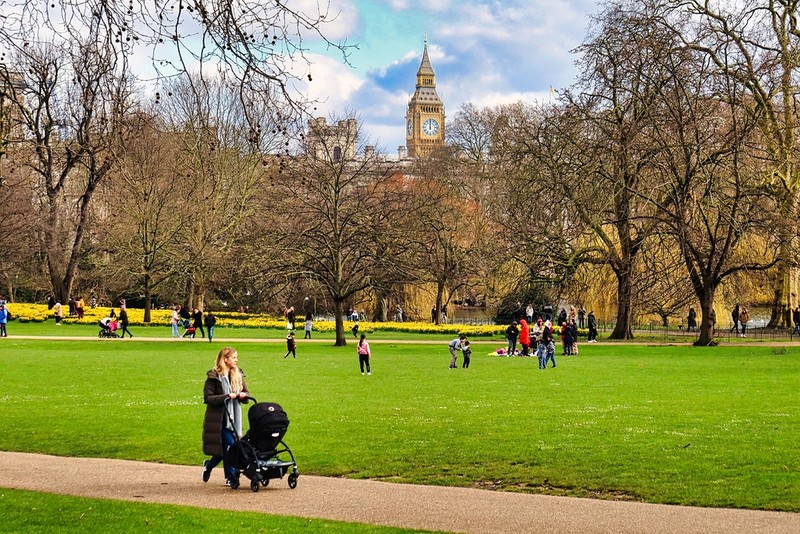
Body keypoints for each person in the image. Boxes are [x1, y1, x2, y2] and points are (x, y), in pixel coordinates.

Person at [201, 347, 250, 486]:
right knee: (231, 446)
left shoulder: (237, 374)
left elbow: (246, 392)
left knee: (225, 449)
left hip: (234, 417)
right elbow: (208, 398)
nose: (236, 360)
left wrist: (243, 395)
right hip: (220, 419)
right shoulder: (214, 376)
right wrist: (226, 396)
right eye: (234, 358)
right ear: (225, 359)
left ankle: (209, 465)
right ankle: (230, 476)